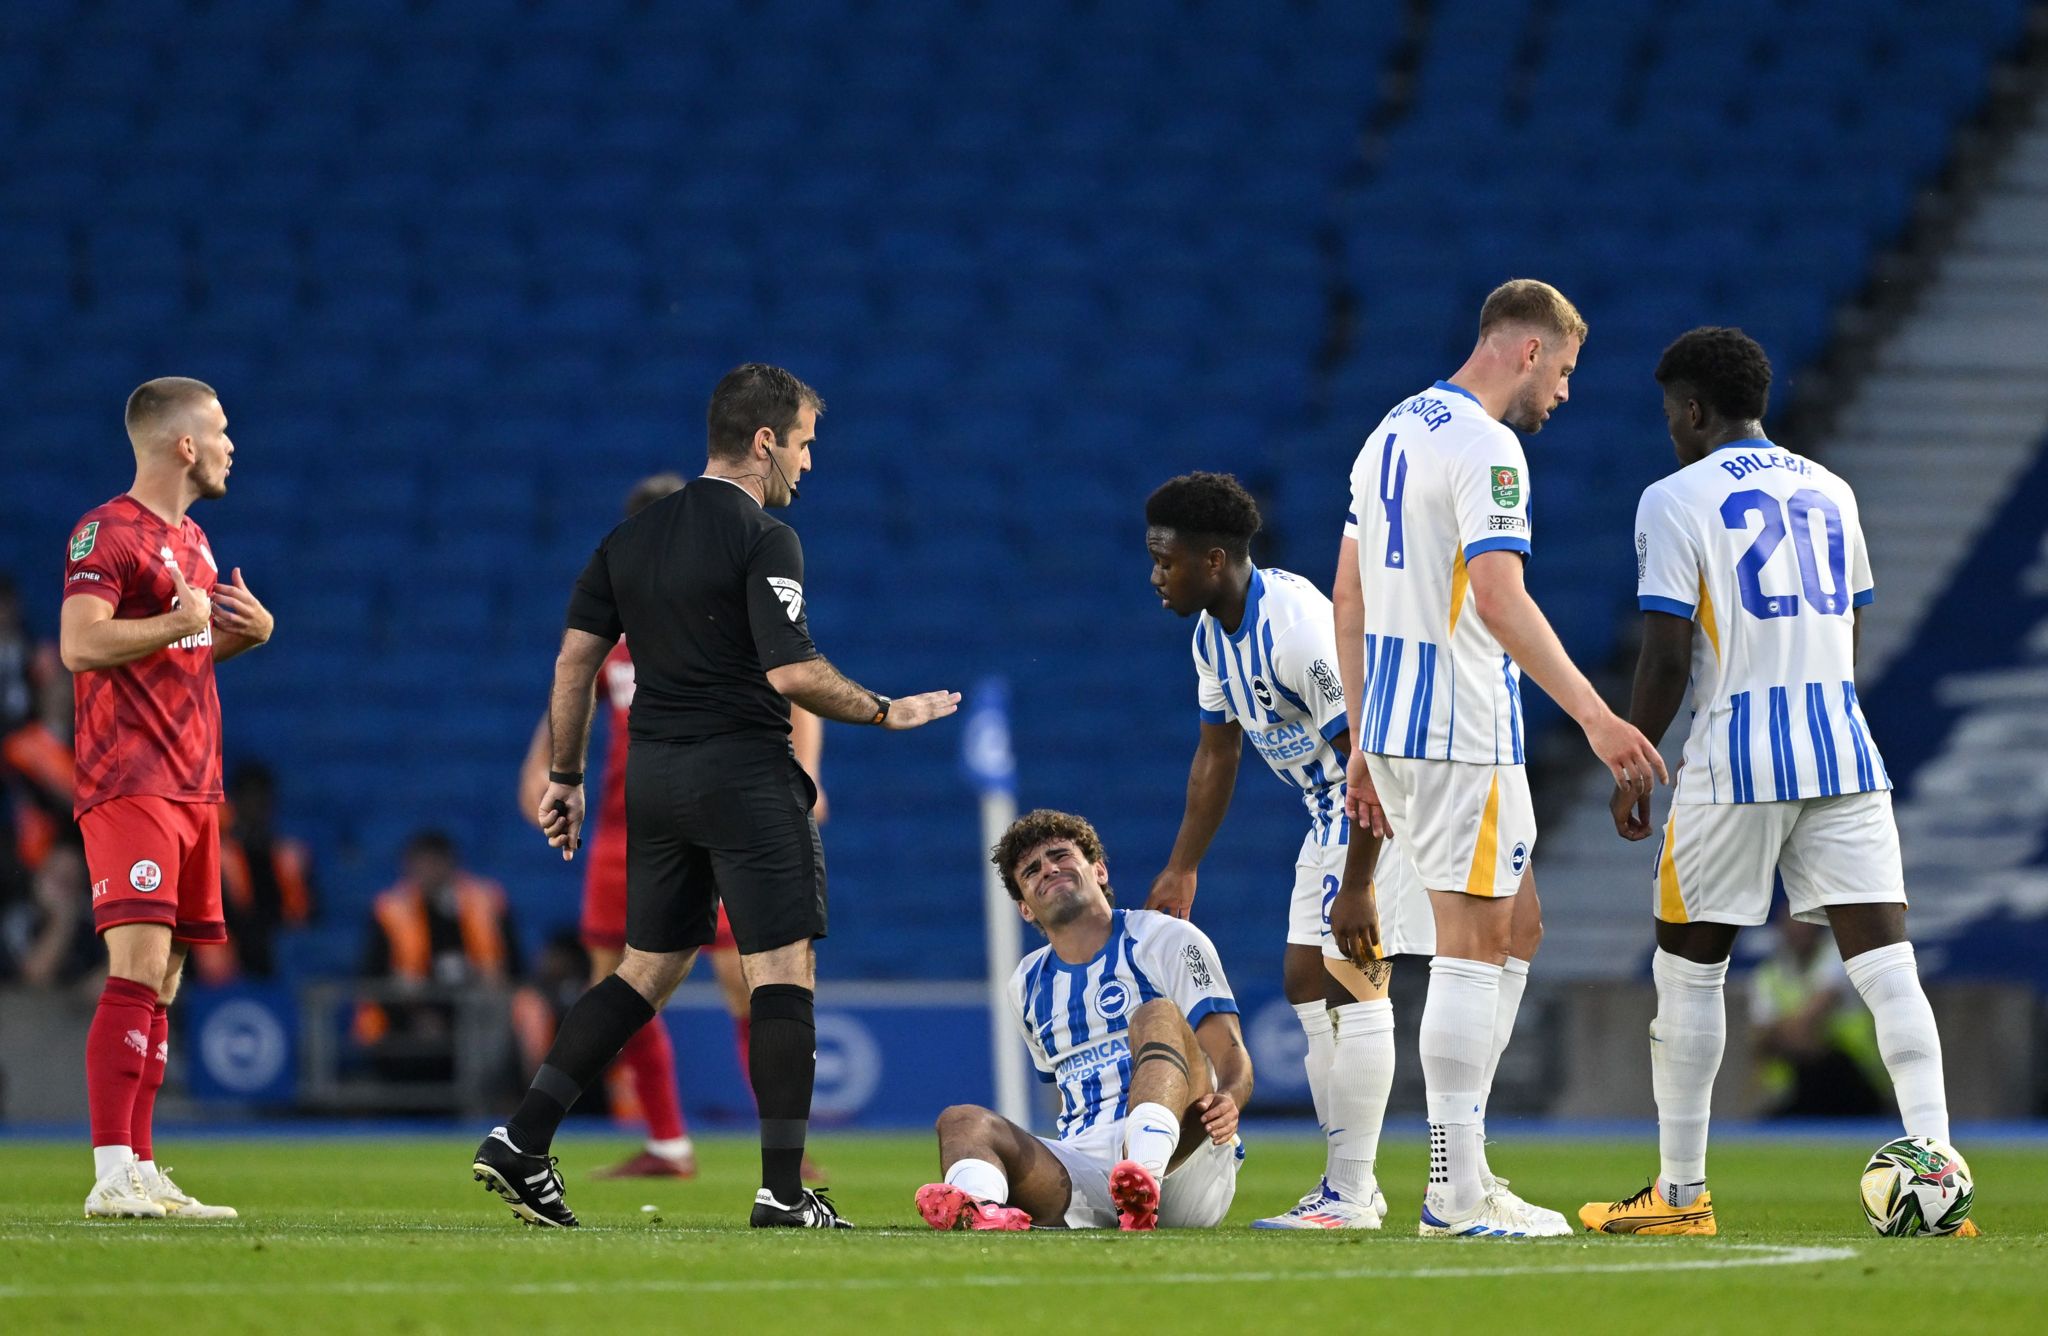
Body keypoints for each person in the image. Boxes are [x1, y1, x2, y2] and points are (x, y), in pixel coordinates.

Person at [472, 363, 959, 1229]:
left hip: (655, 782)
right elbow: (793, 670)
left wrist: (567, 778)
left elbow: (573, 666)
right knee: (781, 972)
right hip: (741, 772)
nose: (808, 466)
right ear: (764, 440)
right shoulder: (765, 538)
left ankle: (522, 1137)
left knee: (645, 972)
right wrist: (888, 711)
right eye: (804, 445)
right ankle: (783, 1191)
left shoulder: (626, 541)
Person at [1578, 326, 1971, 1236]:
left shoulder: (1675, 498)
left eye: (1670, 415)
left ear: (1693, 410)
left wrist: (1635, 752)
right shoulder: (1832, 489)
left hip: (1736, 759)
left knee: (1689, 974)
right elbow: (1852, 627)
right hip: (1841, 747)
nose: (1670, 430)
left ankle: (1681, 1198)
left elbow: (1668, 652)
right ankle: (1942, 1181)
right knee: (1888, 969)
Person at [1333, 280, 1665, 1238]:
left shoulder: (1391, 430)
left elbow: (1348, 597)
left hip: (1398, 728)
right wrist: (1600, 719)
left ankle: (1470, 1170)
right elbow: (1500, 599)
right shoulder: (1488, 447)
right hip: (1457, 727)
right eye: (1561, 372)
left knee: (1518, 926)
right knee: (1474, 947)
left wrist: (1362, 736)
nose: (1561, 394)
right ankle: (1453, 1193)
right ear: (1527, 351)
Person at [515, 471, 831, 1180]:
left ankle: (782, 1144)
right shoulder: (618, 633)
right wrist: (550, 777)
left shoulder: (723, 614)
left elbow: (797, 683)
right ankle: (668, 1142)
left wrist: (805, 773)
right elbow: (566, 702)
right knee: (621, 985)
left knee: (746, 979)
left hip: (716, 814)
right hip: (629, 830)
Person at [1143, 471, 1427, 1229]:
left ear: (1212, 560)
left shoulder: (1299, 630)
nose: (1155, 576)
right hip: (1329, 814)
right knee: (1305, 980)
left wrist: (1360, 882)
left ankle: (1353, 1192)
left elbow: (1369, 756)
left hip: (1380, 811)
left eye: (1165, 560)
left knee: (1354, 983)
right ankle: (1347, 1186)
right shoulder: (1213, 636)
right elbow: (1218, 756)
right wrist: (1184, 864)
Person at [59, 376, 274, 1220]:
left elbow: (172, 655)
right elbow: (81, 645)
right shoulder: (103, 532)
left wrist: (236, 637)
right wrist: (178, 623)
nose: (230, 445)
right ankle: (111, 1169)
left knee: (170, 977)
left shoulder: (194, 540)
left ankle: (142, 1168)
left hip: (192, 784)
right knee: (139, 968)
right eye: (220, 430)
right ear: (183, 444)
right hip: (130, 781)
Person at [916, 809, 1251, 1232]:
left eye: (1061, 856)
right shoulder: (1026, 984)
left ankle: (1142, 1178)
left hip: (1184, 1163)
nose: (1050, 870)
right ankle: (979, 1209)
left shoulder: (1167, 939)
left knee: (1156, 1013)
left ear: (1099, 870)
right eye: (1032, 870)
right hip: (1086, 1169)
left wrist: (1232, 1098)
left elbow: (1231, 1050)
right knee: (960, 1121)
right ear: (1024, 907)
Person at [353, 829, 522, 1081]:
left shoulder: (487, 902)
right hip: (408, 1015)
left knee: (493, 1010)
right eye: (420, 864)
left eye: (435, 863)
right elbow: (373, 976)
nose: (428, 872)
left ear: (450, 864)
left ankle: (481, 1101)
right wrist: (416, 1015)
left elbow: (513, 967)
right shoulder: (390, 910)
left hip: (477, 1013)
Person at [1749, 904, 1886, 1119]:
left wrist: (1783, 1034)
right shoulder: (1768, 974)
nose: (1798, 931)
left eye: (1804, 925)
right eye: (1792, 925)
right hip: (1795, 1086)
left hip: (1855, 1078)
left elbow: (1808, 1021)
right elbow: (1760, 1040)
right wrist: (1791, 1036)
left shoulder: (1841, 959)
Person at [192, 761, 315, 984]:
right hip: (235, 954)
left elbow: (311, 914)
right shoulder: (218, 857)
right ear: (236, 803)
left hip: (283, 951)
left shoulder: (290, 855)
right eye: (249, 799)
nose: (256, 808)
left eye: (262, 800)